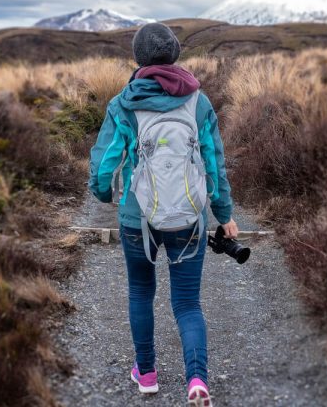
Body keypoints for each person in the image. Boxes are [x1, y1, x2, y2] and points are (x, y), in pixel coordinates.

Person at [88, 22, 238, 407]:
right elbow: (214, 163)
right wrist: (223, 213)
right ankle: (197, 381)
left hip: (138, 219)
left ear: (138, 59)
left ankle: (148, 374)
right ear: (174, 54)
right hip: (188, 219)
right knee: (187, 303)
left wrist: (104, 194)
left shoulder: (123, 103)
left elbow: (105, 166)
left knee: (141, 291)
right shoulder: (199, 102)